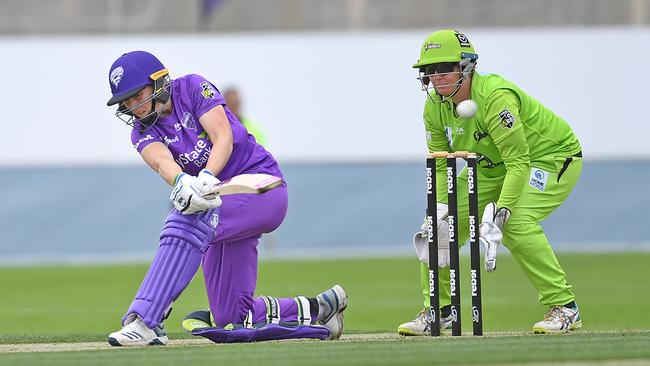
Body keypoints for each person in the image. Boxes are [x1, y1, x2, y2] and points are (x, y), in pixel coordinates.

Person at [105, 50, 347, 346]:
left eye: (137, 95)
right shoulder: (142, 131)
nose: (135, 107)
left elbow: (223, 137)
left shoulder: (192, 88)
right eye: (126, 102)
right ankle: (320, 310)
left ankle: (145, 320)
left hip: (260, 186)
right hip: (218, 201)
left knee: (185, 218)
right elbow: (161, 162)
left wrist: (206, 176)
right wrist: (182, 182)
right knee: (229, 313)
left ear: (159, 82)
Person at [398, 30, 583, 335]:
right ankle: (439, 310)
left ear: (466, 66)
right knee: (436, 228)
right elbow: (441, 163)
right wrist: (441, 208)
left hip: (549, 158)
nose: (437, 78)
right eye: (430, 71)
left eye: (444, 68)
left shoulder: (495, 97)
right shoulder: (433, 107)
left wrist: (502, 212)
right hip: (490, 166)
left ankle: (565, 308)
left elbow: (519, 162)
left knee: (516, 223)